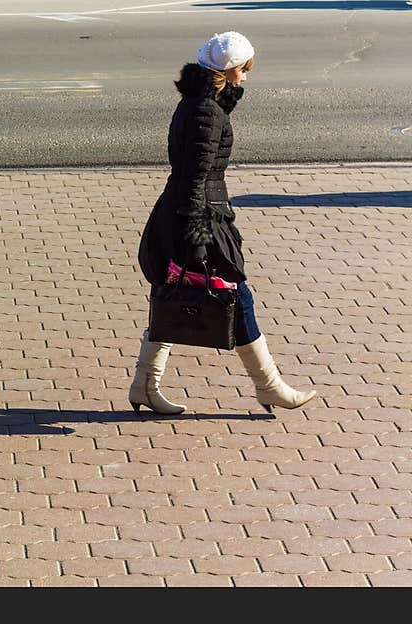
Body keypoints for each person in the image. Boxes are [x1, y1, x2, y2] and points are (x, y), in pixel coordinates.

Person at [130, 31, 316, 415]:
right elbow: (197, 174)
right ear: (229, 70)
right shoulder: (205, 113)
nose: (246, 77)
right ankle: (270, 387)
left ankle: (144, 385)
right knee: (236, 295)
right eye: (243, 70)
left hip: (187, 210)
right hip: (198, 216)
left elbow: (199, 154)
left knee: (173, 292)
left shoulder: (199, 103)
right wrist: (196, 236)